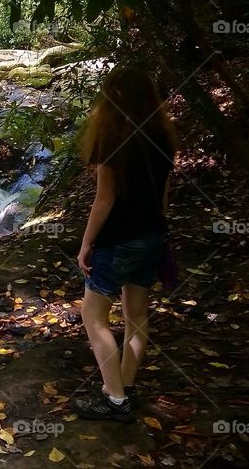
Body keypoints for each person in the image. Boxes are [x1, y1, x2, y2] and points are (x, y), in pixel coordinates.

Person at [73, 65, 178, 422]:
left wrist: (86, 243)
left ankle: (115, 400)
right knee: (136, 316)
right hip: (152, 235)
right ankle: (125, 386)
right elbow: (163, 195)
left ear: (112, 97)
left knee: (93, 316)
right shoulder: (163, 137)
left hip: (118, 240)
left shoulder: (112, 138)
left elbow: (105, 200)